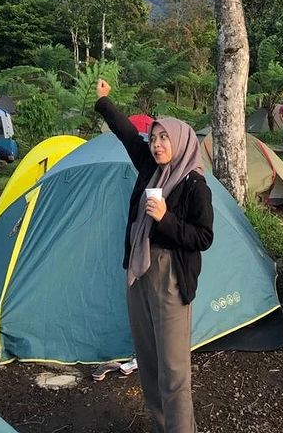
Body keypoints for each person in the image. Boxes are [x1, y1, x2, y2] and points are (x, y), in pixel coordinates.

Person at [95, 78, 213, 433]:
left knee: (174, 367)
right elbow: (128, 135)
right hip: (139, 271)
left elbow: (203, 237)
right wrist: (104, 101)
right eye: (155, 137)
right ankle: (161, 425)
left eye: (165, 138)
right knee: (147, 359)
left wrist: (164, 220)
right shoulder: (150, 167)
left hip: (171, 277)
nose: (157, 144)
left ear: (180, 142)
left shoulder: (195, 185)